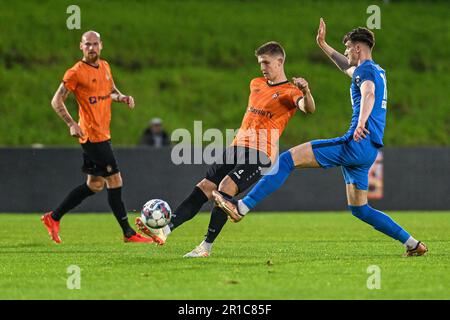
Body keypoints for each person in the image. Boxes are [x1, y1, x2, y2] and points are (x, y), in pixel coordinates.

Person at [213, 19, 428, 257]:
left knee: (287, 160)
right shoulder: (376, 70)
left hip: (356, 142)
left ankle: (241, 207)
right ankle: (412, 243)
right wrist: (322, 44)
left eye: (347, 48)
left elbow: (369, 94)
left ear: (358, 48)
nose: (346, 52)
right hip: (369, 150)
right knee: (360, 209)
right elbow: (346, 67)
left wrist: (361, 123)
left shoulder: (365, 71)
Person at [135, 41, 316, 257]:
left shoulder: (289, 91)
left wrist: (306, 91)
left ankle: (206, 246)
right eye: (260, 63)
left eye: (266, 62)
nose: (262, 67)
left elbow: (308, 108)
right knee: (204, 186)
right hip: (237, 145)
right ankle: (164, 230)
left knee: (225, 188)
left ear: (280, 61)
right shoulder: (256, 83)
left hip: (260, 153)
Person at [41, 31, 153, 243]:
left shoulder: (105, 66)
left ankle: (53, 218)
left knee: (94, 185)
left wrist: (122, 97)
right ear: (80, 46)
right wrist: (71, 124)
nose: (91, 48)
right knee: (115, 179)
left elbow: (108, 90)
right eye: (87, 44)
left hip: (103, 133)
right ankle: (128, 233)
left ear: (101, 45)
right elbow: (57, 101)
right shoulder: (76, 72)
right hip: (92, 136)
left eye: (95, 44)